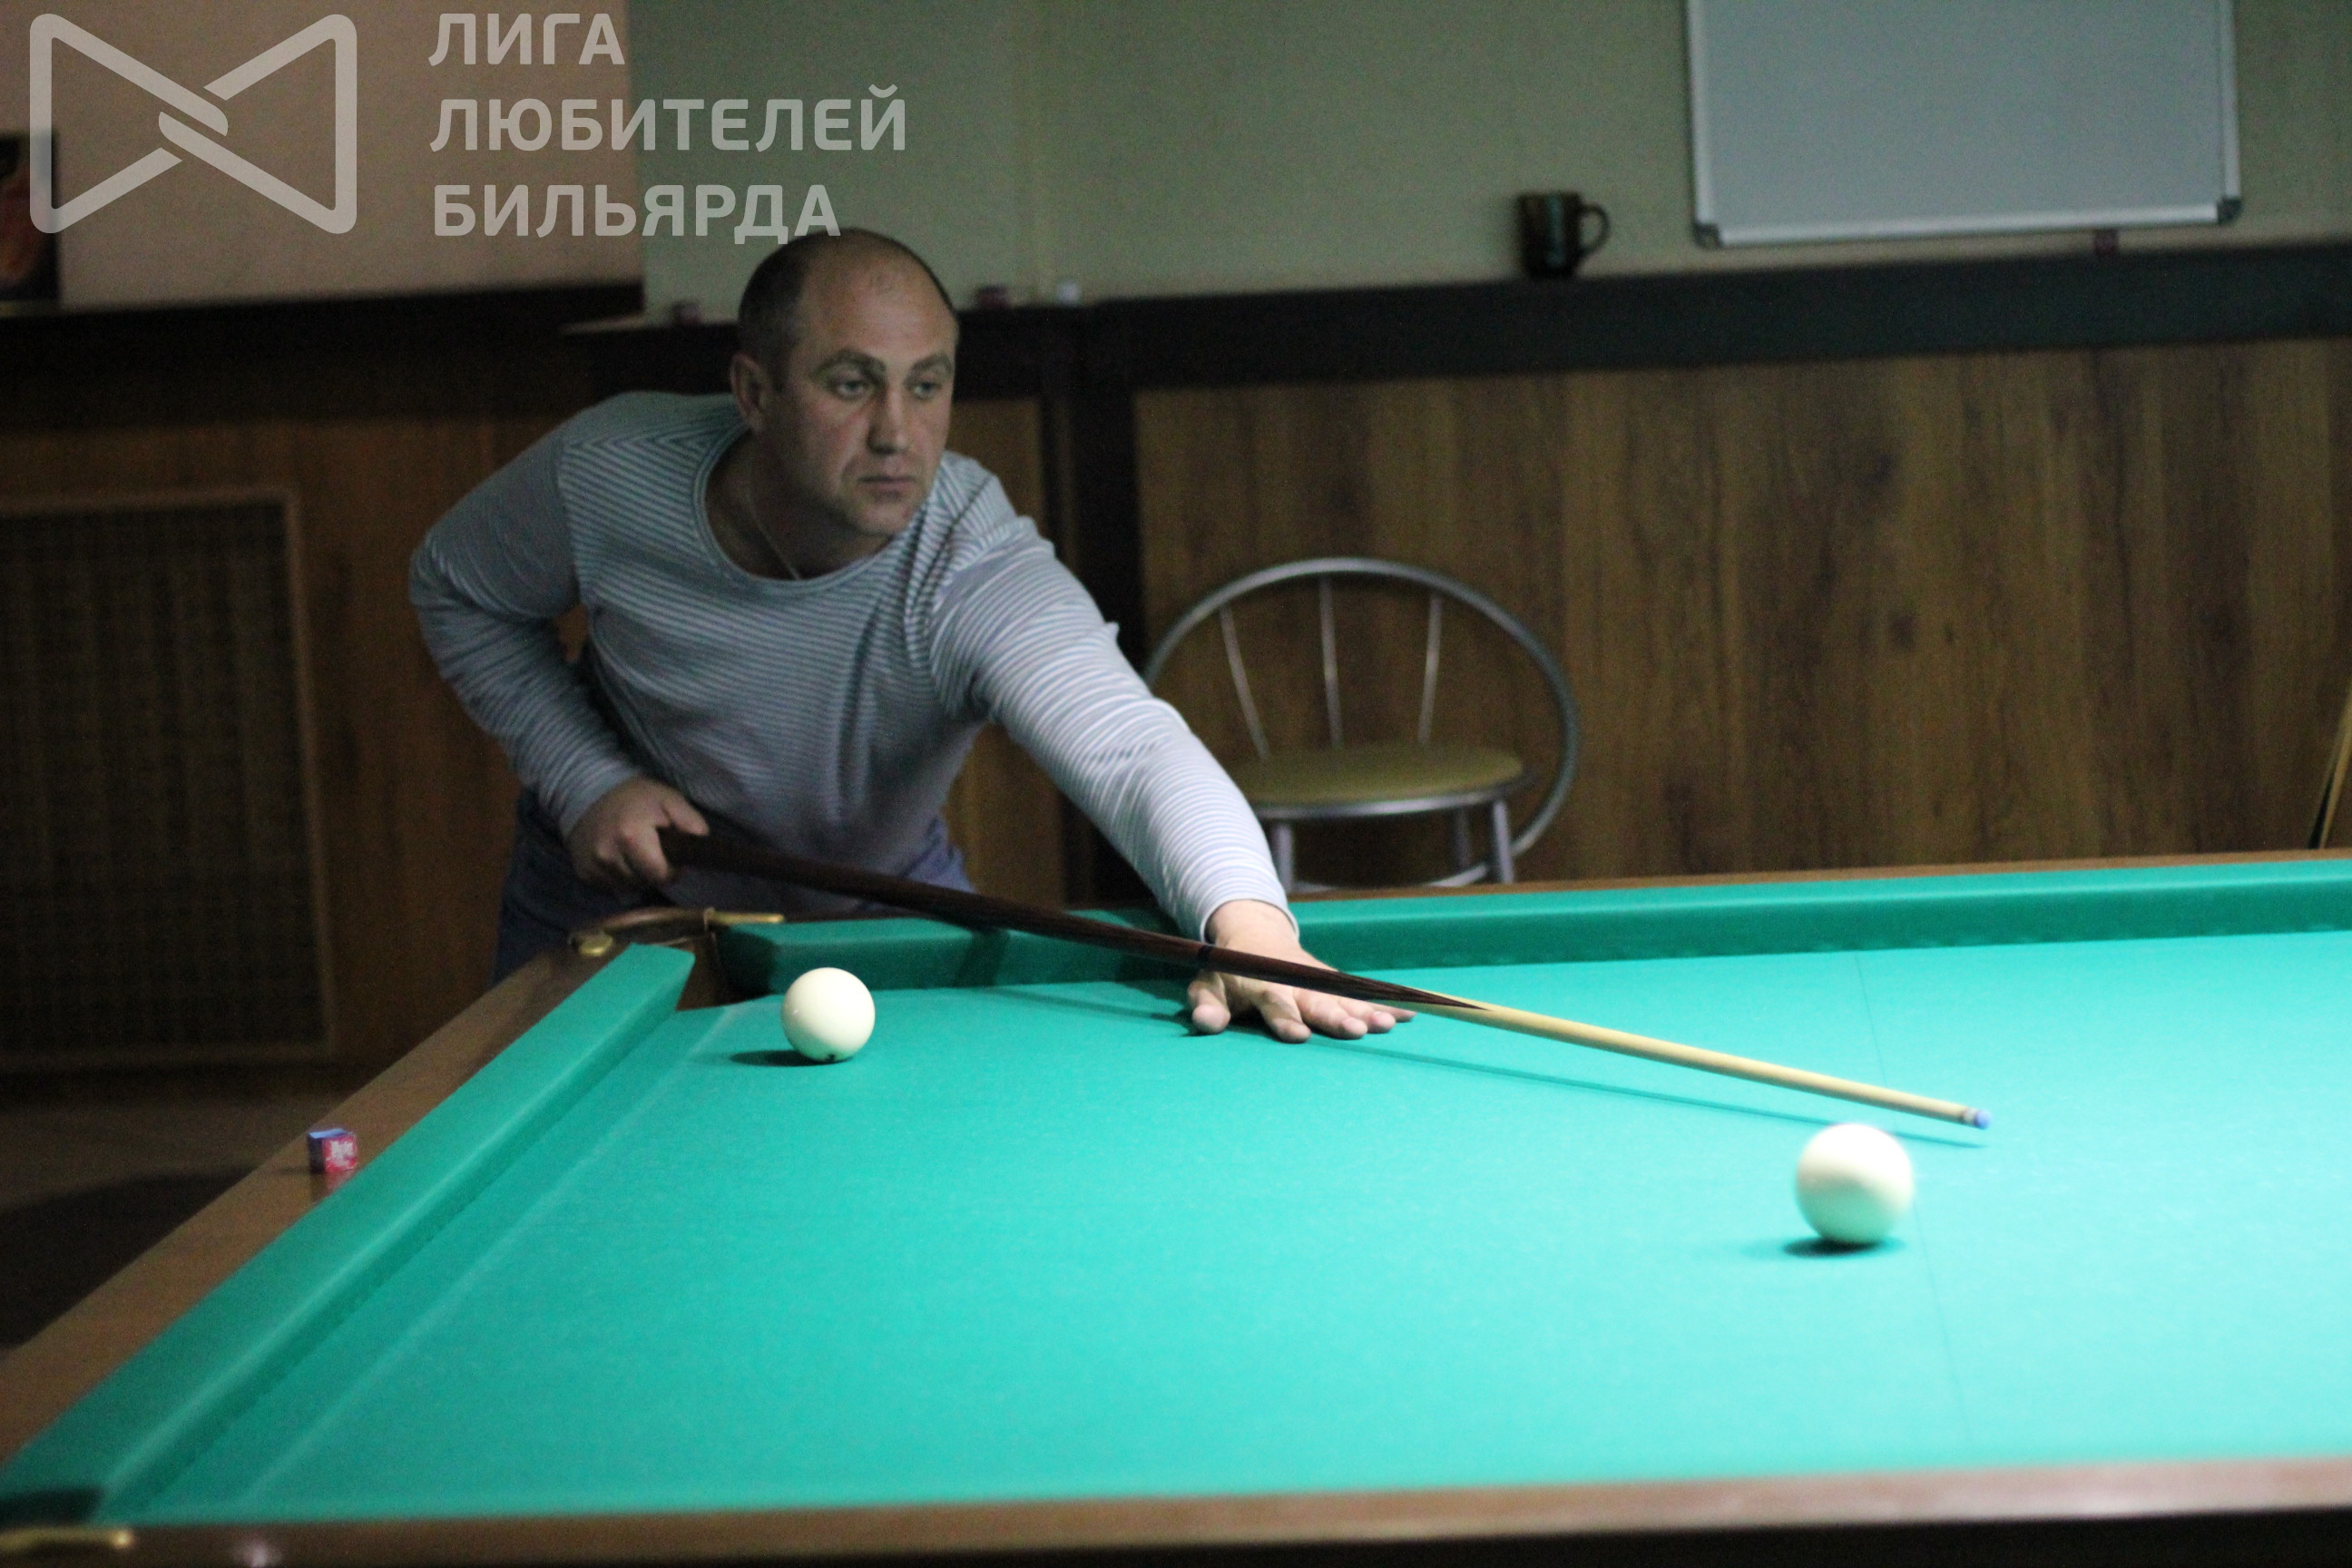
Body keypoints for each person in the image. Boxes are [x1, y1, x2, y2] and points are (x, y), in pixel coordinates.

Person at [410, 229, 1401, 1043]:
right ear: (754, 393)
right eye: (852, 384)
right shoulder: (607, 474)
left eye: (926, 385)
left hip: (881, 907)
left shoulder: (970, 560)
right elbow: (456, 588)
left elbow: (1132, 748)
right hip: (623, 906)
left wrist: (1249, 923)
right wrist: (585, 777)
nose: (897, 432)